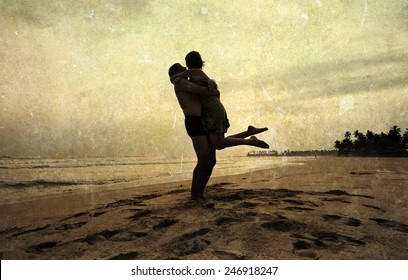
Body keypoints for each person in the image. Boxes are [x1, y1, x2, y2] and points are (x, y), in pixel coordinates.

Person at [169, 62, 269, 200]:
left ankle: (200, 194)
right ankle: (194, 195)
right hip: (193, 121)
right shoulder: (179, 82)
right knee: (204, 159)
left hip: (202, 120)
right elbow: (202, 91)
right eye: (180, 67)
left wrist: (209, 82)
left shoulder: (187, 80)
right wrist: (212, 89)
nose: (185, 69)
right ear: (174, 72)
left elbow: (202, 87)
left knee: (211, 160)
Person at [170, 51, 269, 150]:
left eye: (185, 64)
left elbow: (171, 78)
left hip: (211, 109)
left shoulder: (192, 72)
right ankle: (249, 133)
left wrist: (176, 78)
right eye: (181, 67)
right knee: (217, 142)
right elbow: (213, 89)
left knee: (218, 143)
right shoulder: (199, 74)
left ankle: (250, 141)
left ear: (188, 62)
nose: (184, 68)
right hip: (214, 108)